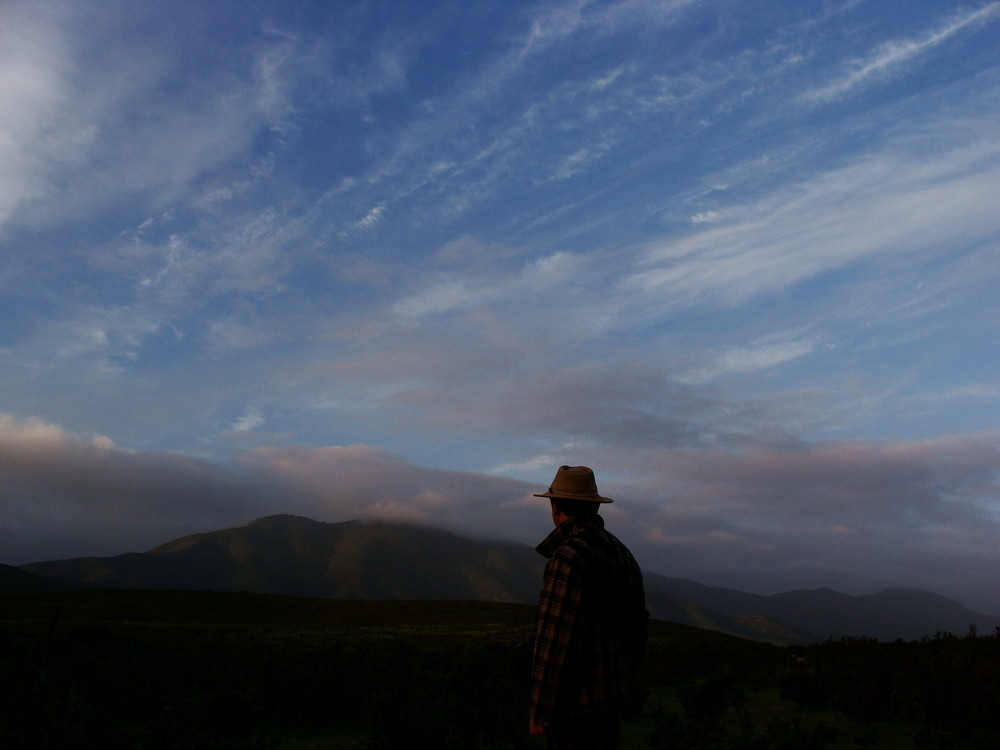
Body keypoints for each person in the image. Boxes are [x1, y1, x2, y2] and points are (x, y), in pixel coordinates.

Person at [529, 465, 648, 749]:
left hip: (576, 712)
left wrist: (540, 711)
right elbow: (638, 626)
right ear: (593, 507)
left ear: (555, 506)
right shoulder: (622, 553)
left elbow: (556, 642)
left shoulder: (567, 558)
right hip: (611, 700)